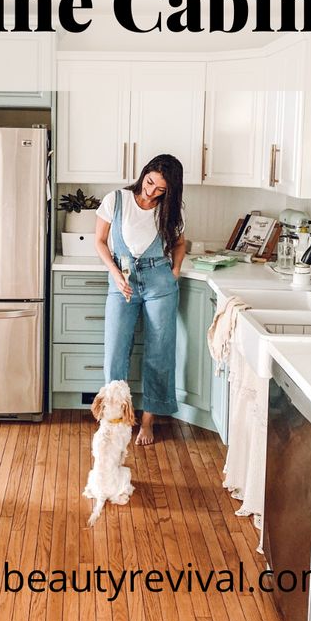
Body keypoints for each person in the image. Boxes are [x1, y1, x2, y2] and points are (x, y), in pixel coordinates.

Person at [95, 154, 186, 445]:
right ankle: (113, 419)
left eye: (160, 190)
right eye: (149, 183)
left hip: (159, 280)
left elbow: (180, 243)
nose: (151, 192)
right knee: (115, 352)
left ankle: (148, 420)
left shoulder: (171, 210)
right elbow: (99, 241)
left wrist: (175, 270)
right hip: (122, 280)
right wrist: (115, 275)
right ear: (144, 174)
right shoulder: (116, 200)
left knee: (160, 353)